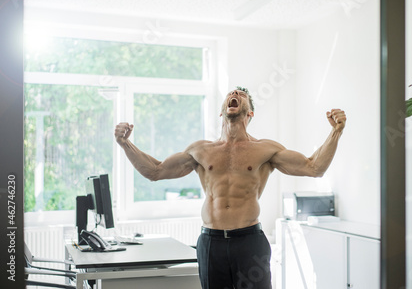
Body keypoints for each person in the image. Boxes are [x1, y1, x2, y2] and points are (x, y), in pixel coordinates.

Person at [114, 87, 346, 289]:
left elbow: (314, 168)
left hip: (249, 241)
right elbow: (155, 171)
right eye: (231, 93)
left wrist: (336, 132)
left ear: (250, 112)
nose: (235, 94)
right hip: (210, 243)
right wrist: (125, 144)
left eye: (241, 95)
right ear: (222, 110)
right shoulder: (201, 150)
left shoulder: (266, 149)